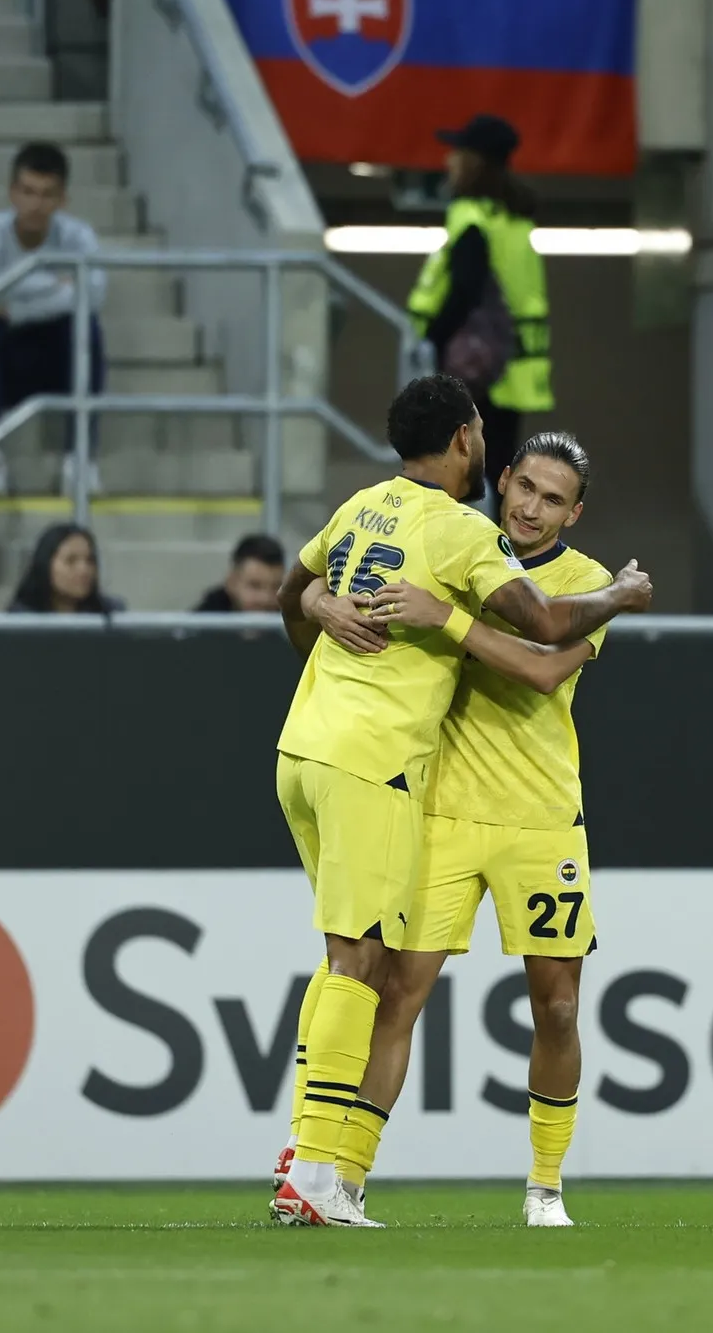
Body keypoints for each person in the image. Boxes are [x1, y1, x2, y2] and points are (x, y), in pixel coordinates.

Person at [268, 374, 651, 1227]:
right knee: (384, 984)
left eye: (554, 500)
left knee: (556, 1004)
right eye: (526, 487)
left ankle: (543, 1186)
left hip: (539, 816)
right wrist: (330, 604)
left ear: (574, 514)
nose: (533, 508)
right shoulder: (460, 537)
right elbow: (306, 594)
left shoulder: (579, 579)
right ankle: (333, 1172)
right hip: (429, 800)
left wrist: (416, 614)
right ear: (493, 467)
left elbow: (546, 664)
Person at [406, 115, 554, 514]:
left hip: (478, 368)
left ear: (474, 161)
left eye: (457, 153)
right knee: (501, 469)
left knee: (467, 475)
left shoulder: (471, 215)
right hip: (511, 365)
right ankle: (500, 547)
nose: (448, 161)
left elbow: (466, 289)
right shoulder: (513, 218)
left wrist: (432, 339)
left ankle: (478, 548)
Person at [0, 141, 106, 499]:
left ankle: (79, 459)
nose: (36, 204)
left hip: (52, 357)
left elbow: (93, 295)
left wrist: (14, 304)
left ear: (63, 199)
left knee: (86, 331)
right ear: (12, 193)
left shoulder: (79, 236)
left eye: (47, 195)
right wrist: (55, 285)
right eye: (28, 192)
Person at [8, 522, 123, 614]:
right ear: (45, 564)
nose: (83, 570)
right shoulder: (21, 618)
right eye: (70, 561)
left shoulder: (111, 614)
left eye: (90, 561)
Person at [196, 532, 285, 612]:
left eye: (276, 587)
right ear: (231, 582)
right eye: (255, 586)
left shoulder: (289, 615)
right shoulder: (201, 621)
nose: (265, 598)